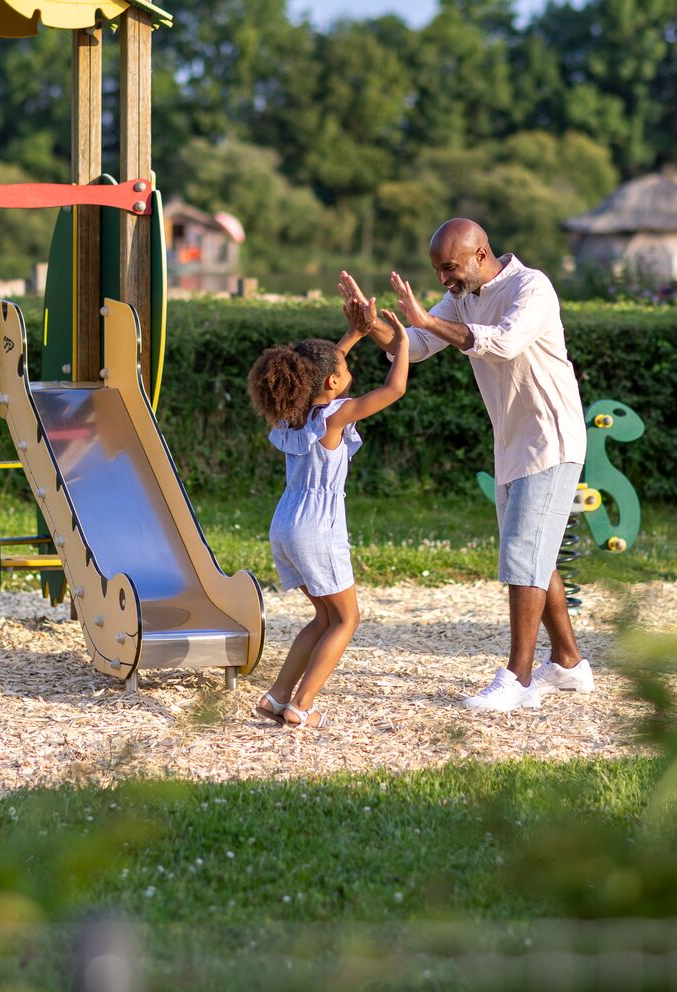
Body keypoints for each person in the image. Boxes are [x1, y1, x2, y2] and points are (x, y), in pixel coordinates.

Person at [341, 220, 594, 712]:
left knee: (523, 555)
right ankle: (568, 663)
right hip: (513, 443)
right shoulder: (462, 297)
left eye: (449, 268)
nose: (443, 281)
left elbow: (501, 342)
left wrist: (427, 320)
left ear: (481, 254)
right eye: (438, 271)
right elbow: (411, 347)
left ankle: (517, 680)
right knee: (532, 553)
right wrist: (369, 323)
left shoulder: (532, 286)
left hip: (551, 439)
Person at [244, 296, 409, 727]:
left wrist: (353, 335)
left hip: (285, 522)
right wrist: (403, 344)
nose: (349, 372)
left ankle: (277, 698)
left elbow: (320, 373)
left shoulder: (291, 415)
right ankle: (303, 706)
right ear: (333, 383)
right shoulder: (336, 415)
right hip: (318, 526)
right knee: (347, 619)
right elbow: (395, 389)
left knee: (323, 616)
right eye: (345, 370)